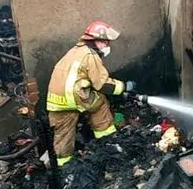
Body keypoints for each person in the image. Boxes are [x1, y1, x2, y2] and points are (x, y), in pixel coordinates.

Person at [46, 21, 136, 166]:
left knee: (63, 137)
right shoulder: (90, 55)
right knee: (100, 103)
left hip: (56, 102)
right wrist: (125, 86)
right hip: (75, 98)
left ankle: (63, 169)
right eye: (106, 42)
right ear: (97, 41)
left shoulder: (75, 51)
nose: (108, 46)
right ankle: (108, 141)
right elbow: (102, 84)